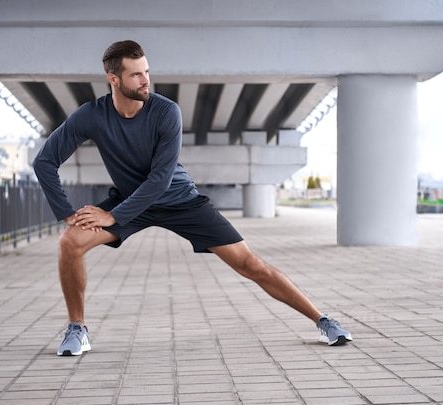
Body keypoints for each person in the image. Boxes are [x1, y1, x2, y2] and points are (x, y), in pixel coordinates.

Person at [33, 40, 352, 356]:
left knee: (249, 263)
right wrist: (67, 213)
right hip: (130, 201)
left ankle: (322, 319)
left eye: (147, 71)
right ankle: (77, 328)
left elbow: (159, 180)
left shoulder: (166, 112)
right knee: (69, 243)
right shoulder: (91, 115)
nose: (145, 80)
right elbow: (45, 161)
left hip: (180, 200)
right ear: (113, 79)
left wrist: (113, 216)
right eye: (135, 75)